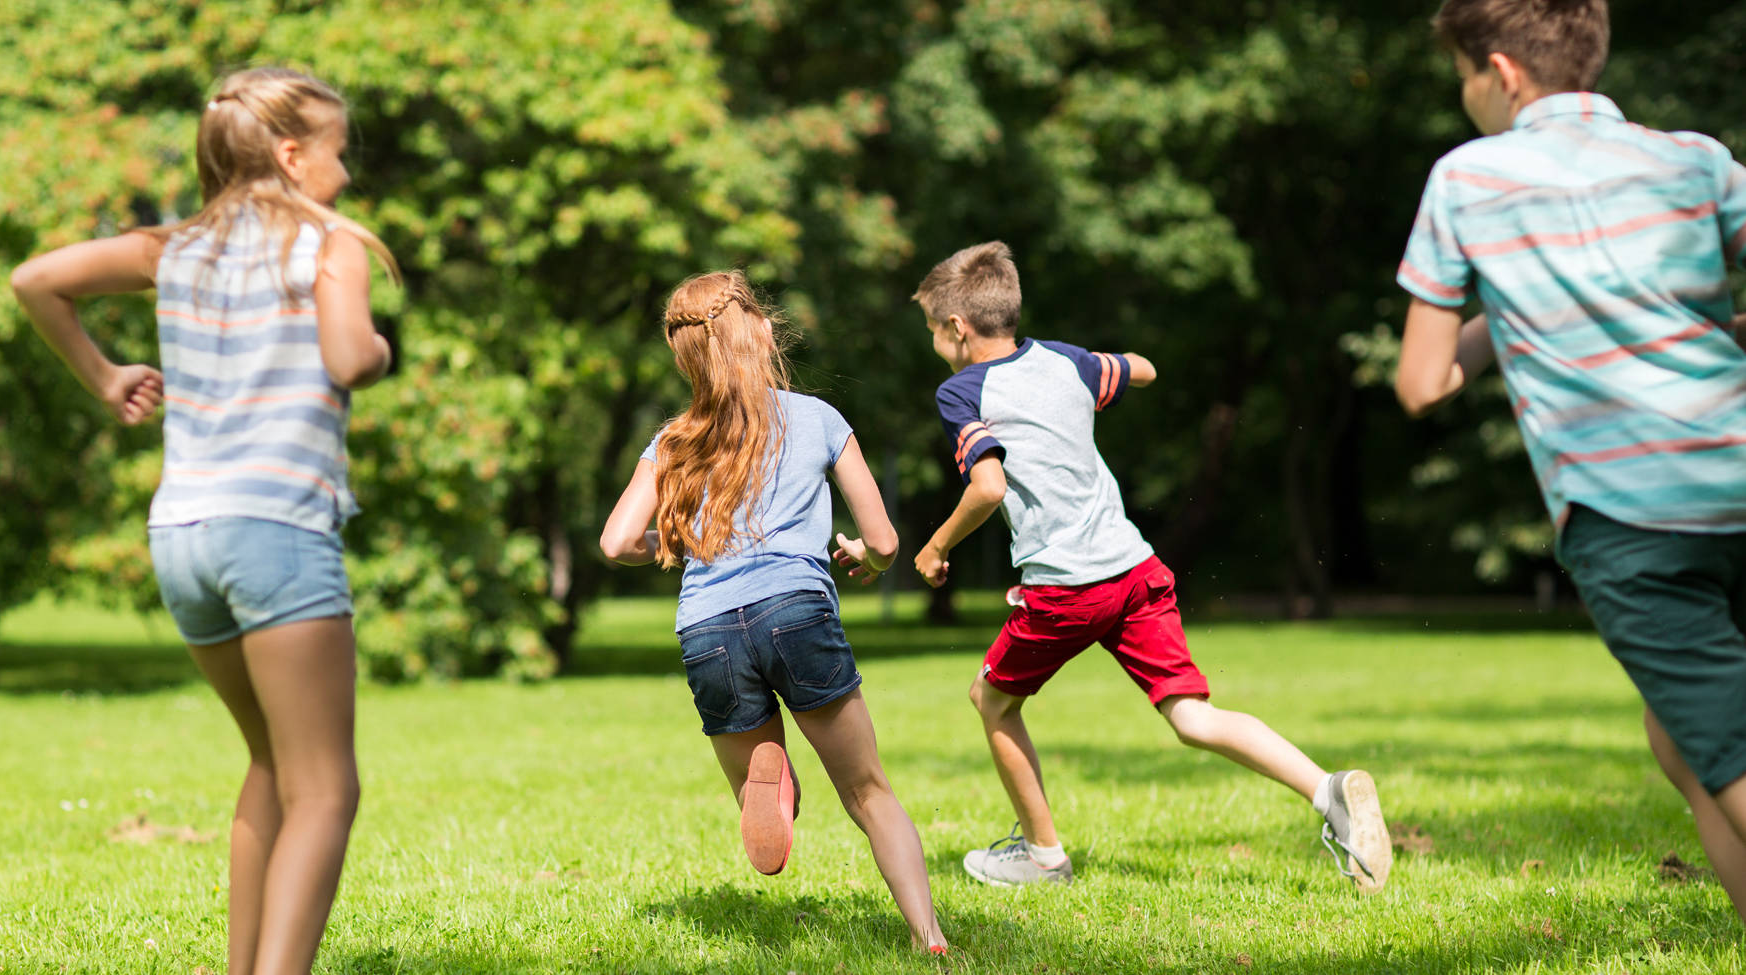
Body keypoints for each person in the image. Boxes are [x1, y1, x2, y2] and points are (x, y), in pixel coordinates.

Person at [11, 67, 397, 974]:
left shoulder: (173, 247)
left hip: (182, 535)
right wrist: (380, 348)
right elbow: (348, 356)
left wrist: (106, 376)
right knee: (326, 787)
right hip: (277, 530)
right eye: (339, 154)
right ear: (294, 155)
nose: (344, 176)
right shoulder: (329, 241)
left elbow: (36, 280)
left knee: (269, 764)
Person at [1394, 0, 1746, 924]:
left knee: (1732, 753)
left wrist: (1519, 316)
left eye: (1465, 77)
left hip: (1634, 512)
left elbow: (1424, 381)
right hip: (1736, 470)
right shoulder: (1694, 158)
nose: (1466, 95)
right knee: (1682, 744)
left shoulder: (1468, 178)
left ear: (1501, 73)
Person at [909, 241, 1392, 892]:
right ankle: (1325, 789)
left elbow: (989, 486)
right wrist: (1097, 370)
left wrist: (936, 546)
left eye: (935, 332)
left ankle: (1043, 856)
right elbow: (1143, 369)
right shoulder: (1065, 361)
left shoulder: (961, 390)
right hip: (1135, 571)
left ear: (957, 328)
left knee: (991, 701)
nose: (937, 345)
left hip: (1067, 587)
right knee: (1194, 717)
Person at [600, 271, 948, 953]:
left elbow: (615, 541)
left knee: (765, 792)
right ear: (761, 332)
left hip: (706, 628)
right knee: (869, 790)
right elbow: (882, 540)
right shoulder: (816, 417)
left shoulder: (675, 438)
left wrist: (671, 540)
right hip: (795, 608)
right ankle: (928, 935)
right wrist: (867, 561)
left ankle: (774, 784)